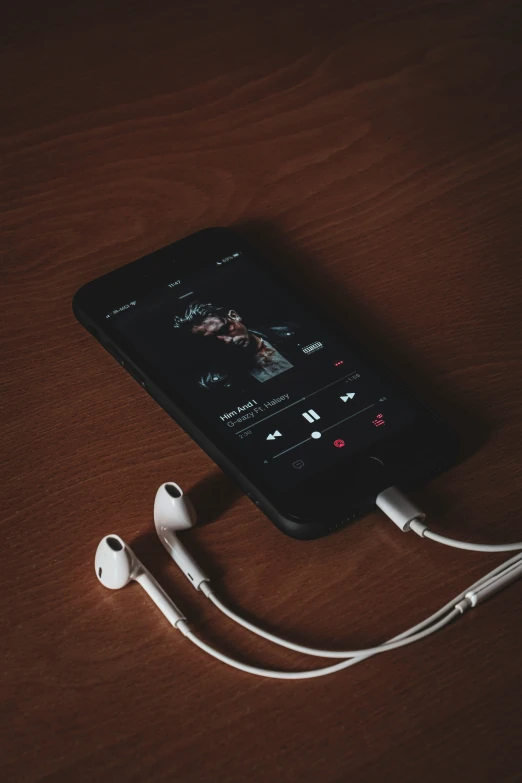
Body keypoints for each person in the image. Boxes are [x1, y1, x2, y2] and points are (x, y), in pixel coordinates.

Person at [173, 302, 301, 390]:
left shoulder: (292, 333)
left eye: (225, 330)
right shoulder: (213, 384)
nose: (227, 341)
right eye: (213, 341)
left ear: (234, 316)